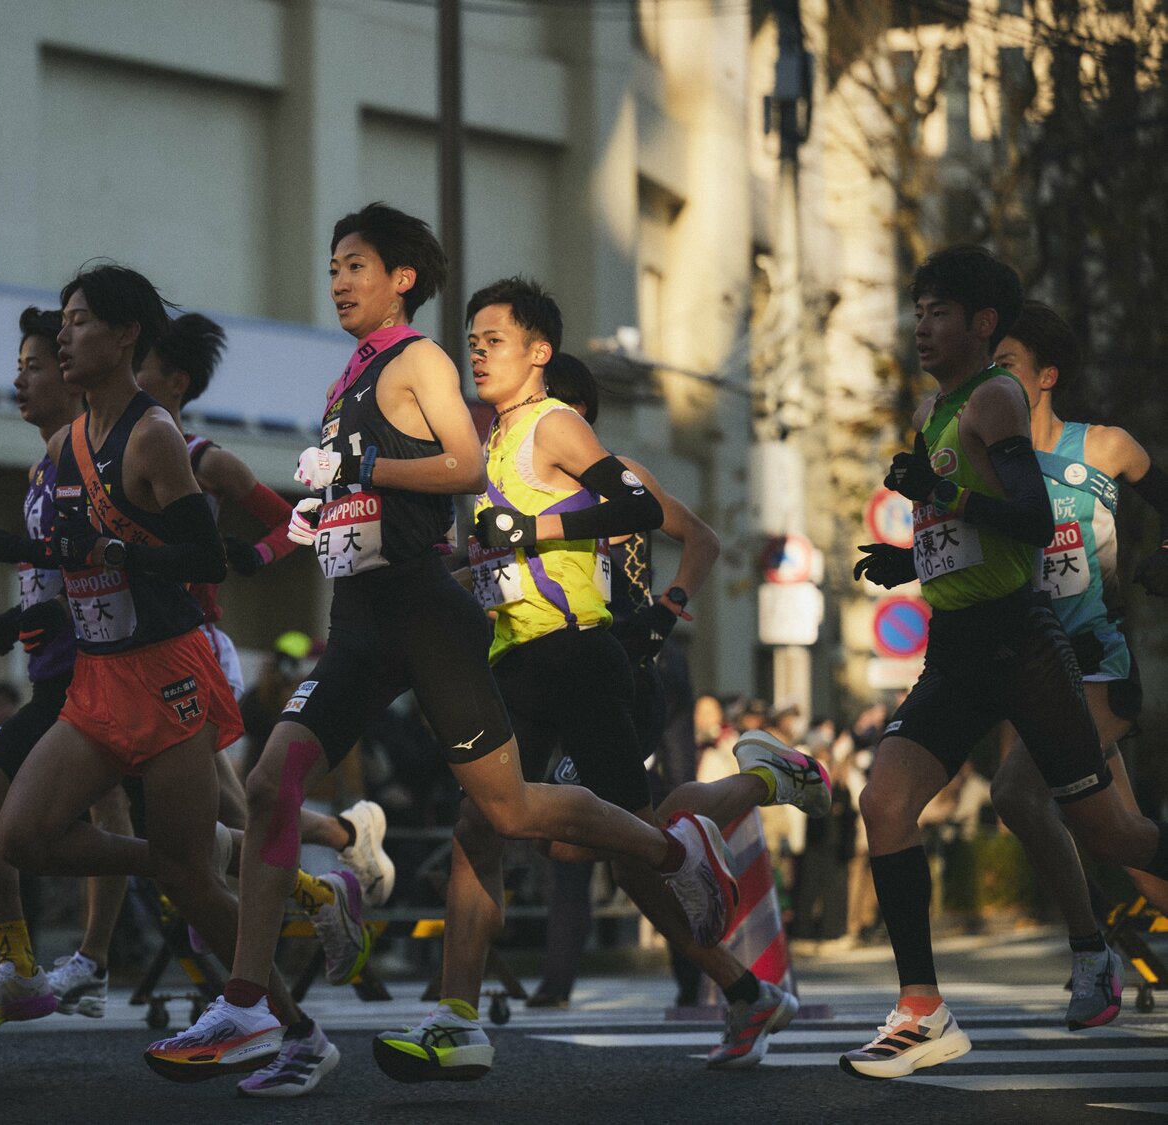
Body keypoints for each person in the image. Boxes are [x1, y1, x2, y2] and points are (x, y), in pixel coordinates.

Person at [146, 204, 742, 1085]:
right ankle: (259, 1011)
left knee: (504, 812)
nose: (339, 278)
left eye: (356, 265)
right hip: (359, 621)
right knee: (272, 782)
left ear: (403, 279)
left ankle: (674, 851)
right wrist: (301, 525)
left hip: (431, 620)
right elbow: (369, 498)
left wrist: (365, 472)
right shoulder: (350, 374)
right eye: (334, 264)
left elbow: (459, 465)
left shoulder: (420, 360)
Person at [371, 278, 828, 1081]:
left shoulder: (554, 422)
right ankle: (456, 1018)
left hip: (583, 659)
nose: (476, 351)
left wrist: (639, 589)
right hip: (515, 658)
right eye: (470, 340)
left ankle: (757, 794)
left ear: (539, 353)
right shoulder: (486, 448)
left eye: (495, 339)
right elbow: (497, 553)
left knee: (625, 848)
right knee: (484, 827)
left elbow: (634, 507)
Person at [0, 264, 332, 1097]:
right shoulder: (64, 445)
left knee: (192, 881)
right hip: (96, 679)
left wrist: (118, 553)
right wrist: (21, 560)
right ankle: (182, 855)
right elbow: (78, 564)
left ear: (127, 334)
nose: (65, 335)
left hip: (168, 675)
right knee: (19, 836)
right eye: (64, 321)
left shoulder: (153, 435)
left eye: (83, 320)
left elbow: (206, 560)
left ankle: (302, 1036)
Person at [846, 245, 1168, 1080]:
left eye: (938, 311)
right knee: (884, 802)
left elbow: (1027, 517)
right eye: (916, 309)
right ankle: (922, 1008)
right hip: (956, 649)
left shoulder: (993, 397)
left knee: (1113, 832)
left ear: (983, 324)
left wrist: (940, 492)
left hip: (1023, 644)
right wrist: (906, 559)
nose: (921, 325)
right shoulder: (941, 408)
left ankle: (1083, 946)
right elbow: (973, 534)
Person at [135, 313, 394, 907]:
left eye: (138, 364)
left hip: (191, 646)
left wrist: (254, 554)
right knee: (189, 811)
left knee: (219, 806)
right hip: (129, 651)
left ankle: (327, 863)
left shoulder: (206, 461)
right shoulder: (106, 457)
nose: (127, 374)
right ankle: (329, 861)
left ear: (175, 380)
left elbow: (297, 520)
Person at [984, 299, 1168, 1028]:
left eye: (1006, 367)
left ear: (1046, 376)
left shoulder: (1107, 447)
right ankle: (1109, 935)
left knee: (1015, 792)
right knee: (1124, 845)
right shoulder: (994, 462)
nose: (991, 382)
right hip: (1034, 667)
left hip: (1099, 666)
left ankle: (1090, 953)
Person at [0, 305, 130, 1033]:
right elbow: (59, 571)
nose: (19, 380)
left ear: (73, 368)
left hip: (95, 676)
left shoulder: (81, 451)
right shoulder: (44, 459)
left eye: (34, 365)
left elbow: (100, 565)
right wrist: (21, 618)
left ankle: (39, 963)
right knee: (141, 824)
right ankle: (312, 886)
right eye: (19, 367)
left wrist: (41, 612)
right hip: (60, 673)